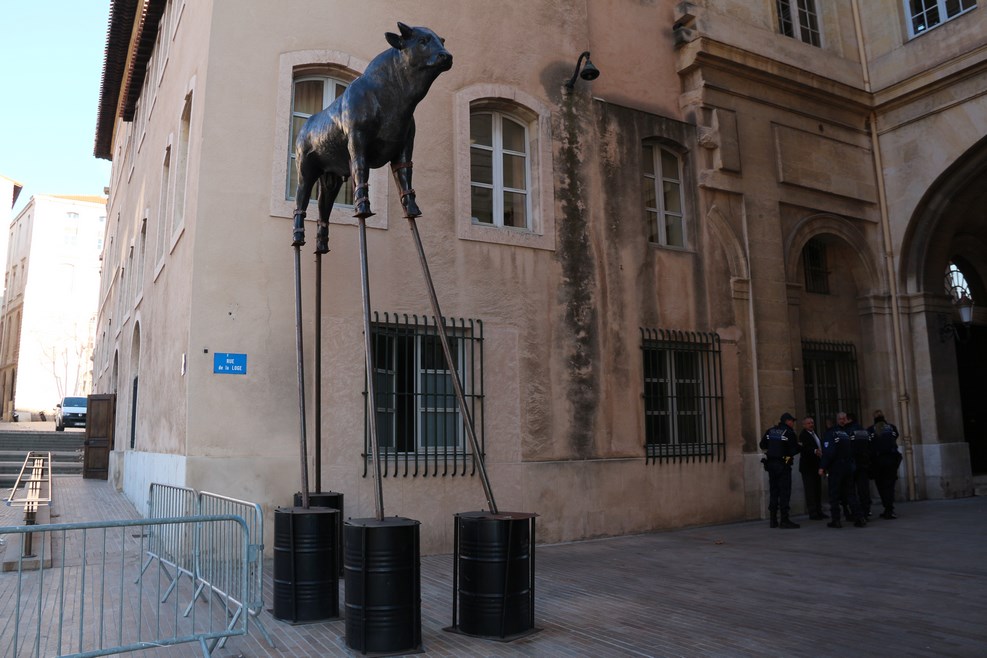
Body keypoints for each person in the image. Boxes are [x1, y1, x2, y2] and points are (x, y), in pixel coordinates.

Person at [820, 411, 865, 528]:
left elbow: (829, 452)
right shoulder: (846, 433)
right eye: (841, 418)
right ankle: (859, 517)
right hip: (848, 467)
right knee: (851, 493)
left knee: (834, 494)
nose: (842, 420)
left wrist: (822, 467)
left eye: (843, 418)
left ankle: (836, 520)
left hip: (836, 467)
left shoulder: (831, 433)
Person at [760, 412, 802, 529]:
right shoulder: (789, 432)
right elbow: (793, 450)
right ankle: (784, 520)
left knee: (774, 491)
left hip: (771, 465)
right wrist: (800, 448)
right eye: (792, 421)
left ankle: (773, 520)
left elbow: (762, 445)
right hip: (783, 465)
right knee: (784, 492)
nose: (793, 423)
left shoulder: (770, 431)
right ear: (787, 421)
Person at [868, 410, 903, 519]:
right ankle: (889, 509)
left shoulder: (870, 429)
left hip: (877, 461)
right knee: (890, 485)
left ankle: (887, 507)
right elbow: (895, 437)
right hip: (891, 460)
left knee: (881, 485)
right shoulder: (892, 428)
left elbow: (869, 443)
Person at [798, 416, 826, 519]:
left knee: (817, 490)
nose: (811, 425)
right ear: (804, 425)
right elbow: (805, 448)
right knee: (810, 490)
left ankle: (819, 510)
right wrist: (815, 451)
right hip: (808, 467)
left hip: (816, 466)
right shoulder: (803, 435)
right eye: (809, 423)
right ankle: (813, 512)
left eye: (812, 423)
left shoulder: (815, 434)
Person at [846, 412, 873, 519]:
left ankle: (856, 512)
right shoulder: (864, 431)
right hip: (864, 463)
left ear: (849, 420)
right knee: (864, 489)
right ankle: (866, 511)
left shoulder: (848, 431)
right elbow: (870, 446)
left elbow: (847, 447)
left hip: (852, 463)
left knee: (851, 490)